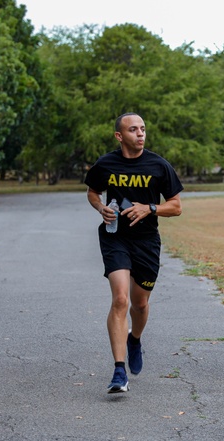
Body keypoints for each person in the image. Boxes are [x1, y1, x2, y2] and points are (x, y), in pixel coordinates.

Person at [85, 113, 183, 394]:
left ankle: (135, 339)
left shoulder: (158, 165)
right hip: (115, 237)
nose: (140, 134)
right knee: (120, 299)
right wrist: (99, 207)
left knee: (139, 304)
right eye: (133, 130)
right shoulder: (106, 163)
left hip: (147, 242)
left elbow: (176, 206)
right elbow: (93, 192)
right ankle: (119, 371)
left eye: (142, 129)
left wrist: (150, 208)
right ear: (119, 136)